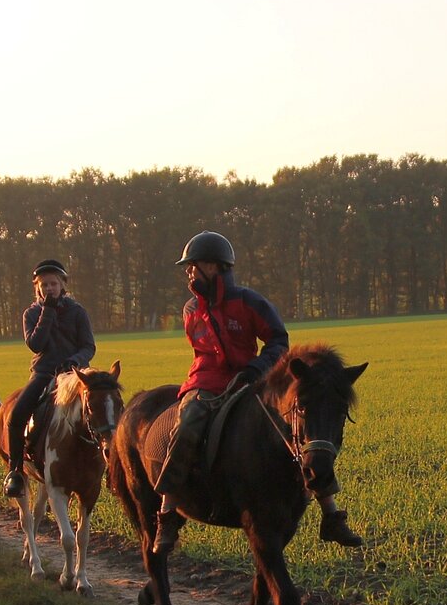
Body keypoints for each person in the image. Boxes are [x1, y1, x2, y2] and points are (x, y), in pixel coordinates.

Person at [153, 231, 362, 554]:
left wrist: (256, 369)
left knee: (297, 433)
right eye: (188, 267)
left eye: (193, 265)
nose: (189, 272)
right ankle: (167, 514)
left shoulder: (249, 302)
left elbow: (278, 339)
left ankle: (331, 513)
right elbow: (201, 353)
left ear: (214, 266)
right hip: (206, 382)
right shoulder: (190, 309)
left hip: (252, 378)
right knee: (187, 425)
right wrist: (208, 382)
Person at [3, 258, 97, 497]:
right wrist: (48, 311)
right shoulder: (32, 313)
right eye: (44, 285)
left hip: (74, 374)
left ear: (62, 284)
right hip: (44, 373)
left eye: (53, 284)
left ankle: (108, 465)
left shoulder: (77, 311)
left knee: (104, 408)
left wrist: (75, 361)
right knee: (15, 416)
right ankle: (15, 470)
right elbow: (36, 344)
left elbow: (88, 346)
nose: (49, 288)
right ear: (37, 288)